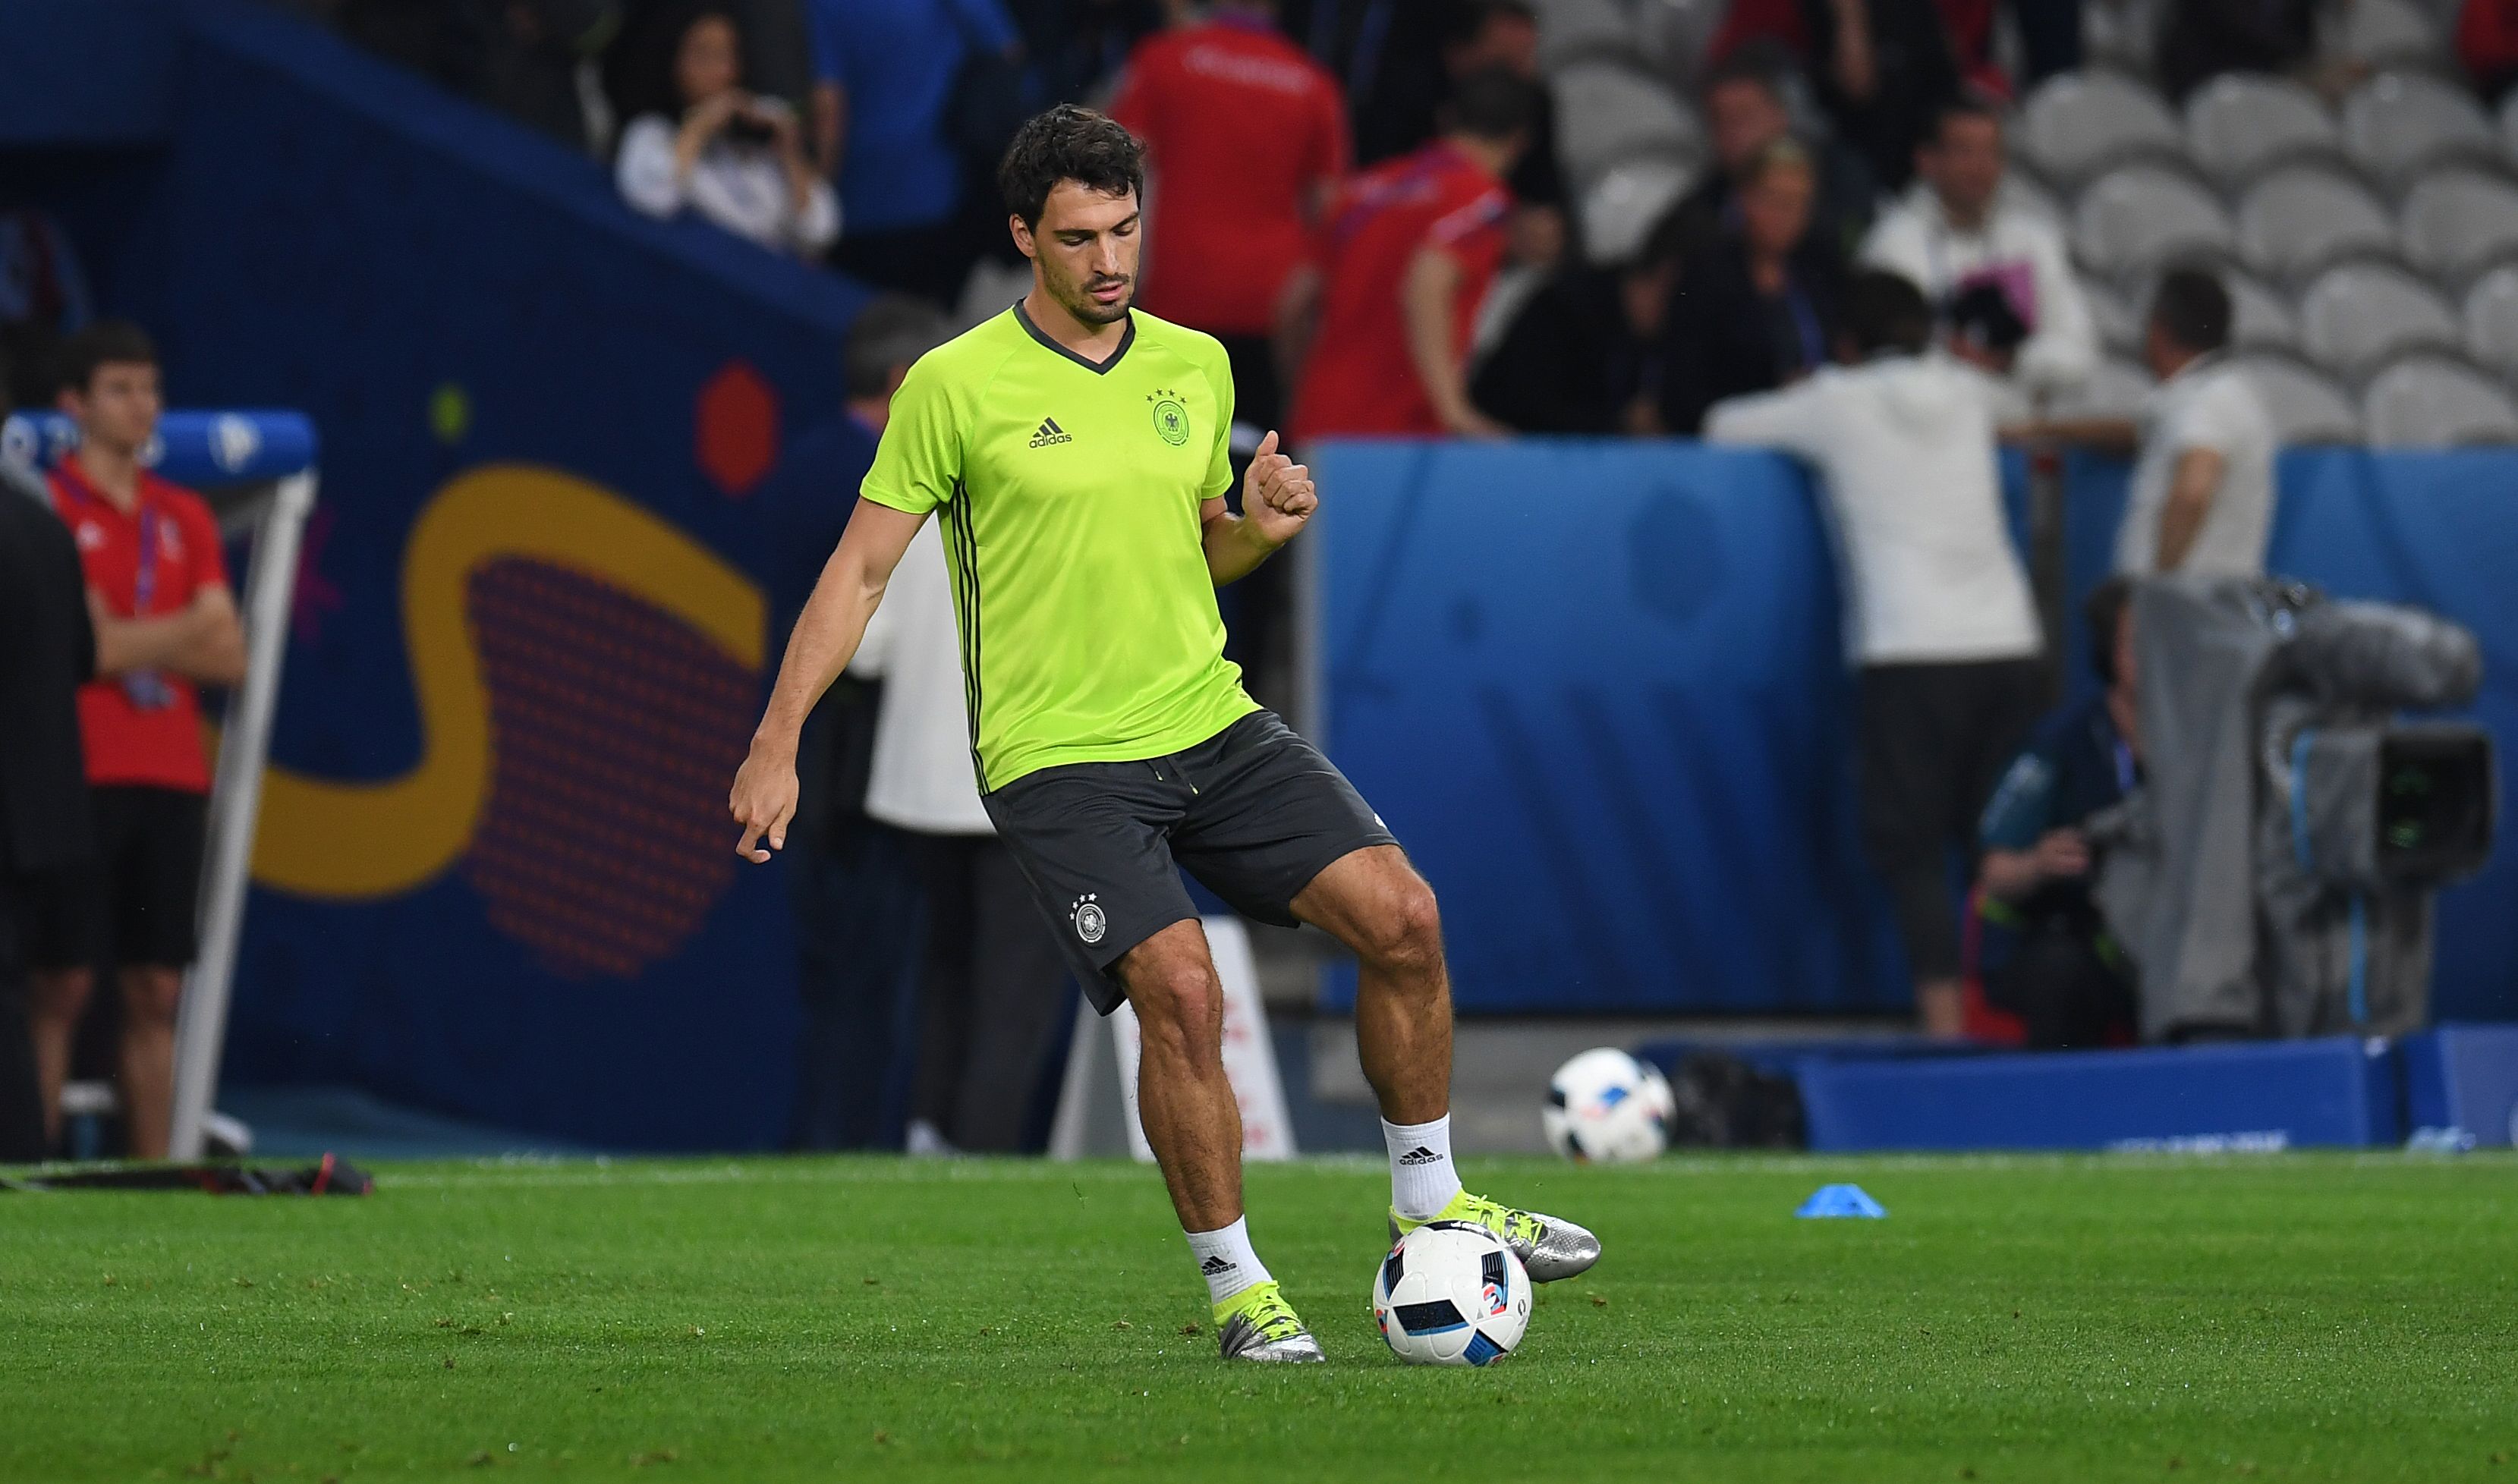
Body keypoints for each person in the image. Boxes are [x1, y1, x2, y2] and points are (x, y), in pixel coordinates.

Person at [729, 104, 1597, 1361]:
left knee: (1403, 917)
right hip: (1057, 755)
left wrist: (1253, 522)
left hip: (1209, 718)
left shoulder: (1195, 364)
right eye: (1077, 236)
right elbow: (857, 575)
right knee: (1181, 993)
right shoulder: (952, 384)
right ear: (1023, 236)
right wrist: (776, 742)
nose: (1107, 260)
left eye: (1124, 228)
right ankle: (1241, 1288)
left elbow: (1201, 547)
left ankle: (1432, 1204)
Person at [1705, 270, 2044, 1038]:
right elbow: (2026, 405)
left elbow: (1723, 424)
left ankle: (1949, 1032)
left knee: (1915, 852)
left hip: (1910, 647)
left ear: (1846, 342)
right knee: (2004, 846)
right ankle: (2023, 1027)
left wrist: (1807, 384)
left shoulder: (1835, 401)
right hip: (2008, 642)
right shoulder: (1965, 391)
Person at [25, 322, 246, 1159]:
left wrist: (125, 637)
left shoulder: (182, 514)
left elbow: (231, 655)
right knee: (61, 983)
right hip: (76, 773)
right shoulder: (46, 506)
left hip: (170, 775)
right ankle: (31, 1168)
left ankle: (160, 1180)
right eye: (120, 389)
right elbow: (89, 649)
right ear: (73, 404)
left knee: (157, 987)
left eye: (150, 388)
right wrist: (183, 625)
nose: (140, 406)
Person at [754, 297, 951, 1152]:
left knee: (826, 980)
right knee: (873, 983)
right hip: (869, 758)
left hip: (800, 754)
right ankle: (847, 1153)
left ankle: (816, 1145)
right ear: (905, 382)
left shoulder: (797, 464)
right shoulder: (885, 482)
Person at [1108, 0, 1349, 439]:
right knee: (1255, 454)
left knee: (1163, 442)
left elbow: (1114, 169)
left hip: (1180, 285)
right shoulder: (1314, 83)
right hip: (1271, 301)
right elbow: (1330, 206)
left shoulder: (1165, 59)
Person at [1287, 67, 1533, 442]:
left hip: (1321, 420)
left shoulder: (1362, 191)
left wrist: (1302, 388)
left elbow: (1294, 303)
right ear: (1520, 140)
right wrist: (1453, 411)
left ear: (1447, 119)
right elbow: (1426, 285)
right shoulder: (1482, 201)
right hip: (1401, 432)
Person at [1973, 577, 2141, 1049]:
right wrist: (2038, 864)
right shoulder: (2060, 744)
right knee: (2063, 973)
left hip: (2154, 943)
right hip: (2066, 940)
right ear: (2109, 653)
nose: (2154, 658)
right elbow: (1995, 873)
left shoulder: (2198, 746)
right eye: (2135, 644)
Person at [0, 360, 96, 1161]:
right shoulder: (47, 525)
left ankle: (21, 1156)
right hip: (46, 808)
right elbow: (83, 653)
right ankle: (28, 1155)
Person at [1859, 97, 2096, 410]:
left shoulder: (2034, 241)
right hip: (1930, 433)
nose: (1980, 166)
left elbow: (2078, 352)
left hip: (2021, 436)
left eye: (1991, 152)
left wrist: (2009, 360)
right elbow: (1883, 359)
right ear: (1927, 160)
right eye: (1964, 151)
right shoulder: (1892, 246)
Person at [2036, 269, 2276, 577]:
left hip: (2184, 609)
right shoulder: (2212, 393)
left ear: (2159, 329)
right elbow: (2139, 431)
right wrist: (2042, 429)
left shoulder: (2206, 401)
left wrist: (2157, 592)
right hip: (2206, 604)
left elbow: (2193, 493)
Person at [805, 0, 1025, 305]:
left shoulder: (827, 7)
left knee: (858, 336)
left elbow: (829, 104)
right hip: (938, 197)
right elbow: (1007, 54)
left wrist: (815, 193)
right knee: (927, 336)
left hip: (856, 200)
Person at [1660, 137, 1847, 435]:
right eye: (1775, 200)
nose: (1787, 216)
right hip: (1736, 444)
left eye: (1799, 203)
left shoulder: (1818, 274)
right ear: (1744, 199)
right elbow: (1683, 389)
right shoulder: (1707, 277)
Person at [615, 8, 838, 259]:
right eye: (704, 55)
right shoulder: (652, 133)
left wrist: (790, 152)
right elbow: (654, 198)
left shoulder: (752, 144)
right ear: (672, 58)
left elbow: (819, 230)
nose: (721, 71)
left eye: (728, 55)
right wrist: (700, 126)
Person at [1708, 0, 1962, 190]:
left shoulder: (1913, 11)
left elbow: (1945, 81)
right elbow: (1856, 85)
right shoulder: (1810, 12)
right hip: (1840, 146)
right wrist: (1849, 16)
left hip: (1913, 153)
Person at [1471, 212, 1679, 435]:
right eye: (1674, 300)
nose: (1672, 317)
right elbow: (1532, 403)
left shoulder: (1642, 336)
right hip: (1504, 447)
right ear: (1657, 280)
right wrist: (1620, 424)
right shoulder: (1563, 309)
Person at [1664, 48, 1878, 263]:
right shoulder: (1702, 205)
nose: (1734, 132)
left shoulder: (1837, 177)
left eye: (1745, 116)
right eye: (1720, 120)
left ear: (1781, 116)